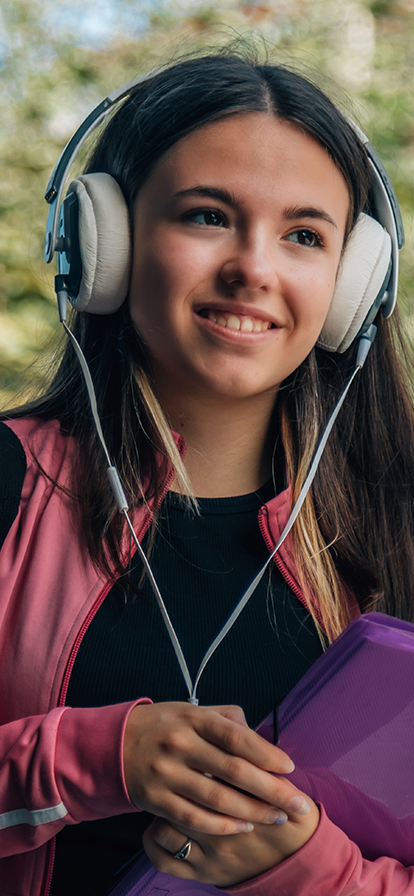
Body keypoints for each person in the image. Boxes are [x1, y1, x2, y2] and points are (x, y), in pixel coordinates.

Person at [1, 48, 414, 896]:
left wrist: (311, 875)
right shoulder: (9, 479)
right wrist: (90, 758)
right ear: (101, 241)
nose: (254, 269)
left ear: (353, 287)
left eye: (304, 235)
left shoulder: (401, 520)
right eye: (206, 217)